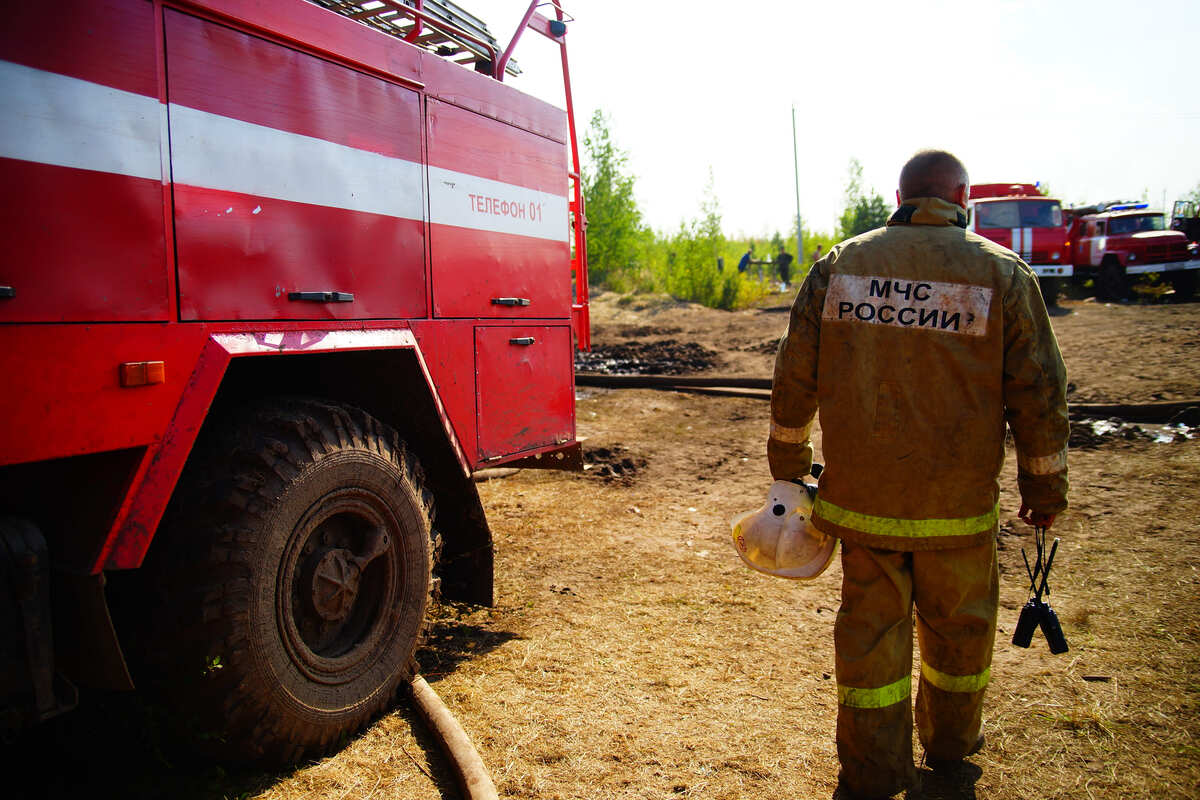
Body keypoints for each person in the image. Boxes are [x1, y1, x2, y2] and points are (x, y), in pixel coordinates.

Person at [768, 150, 1068, 800]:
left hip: (864, 507)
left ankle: (874, 772)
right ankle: (950, 751)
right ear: (962, 198)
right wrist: (1044, 489)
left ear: (899, 195)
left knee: (870, 639)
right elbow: (1040, 391)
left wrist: (788, 468)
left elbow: (794, 375)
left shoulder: (841, 265)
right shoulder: (1001, 273)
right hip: (956, 510)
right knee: (960, 634)